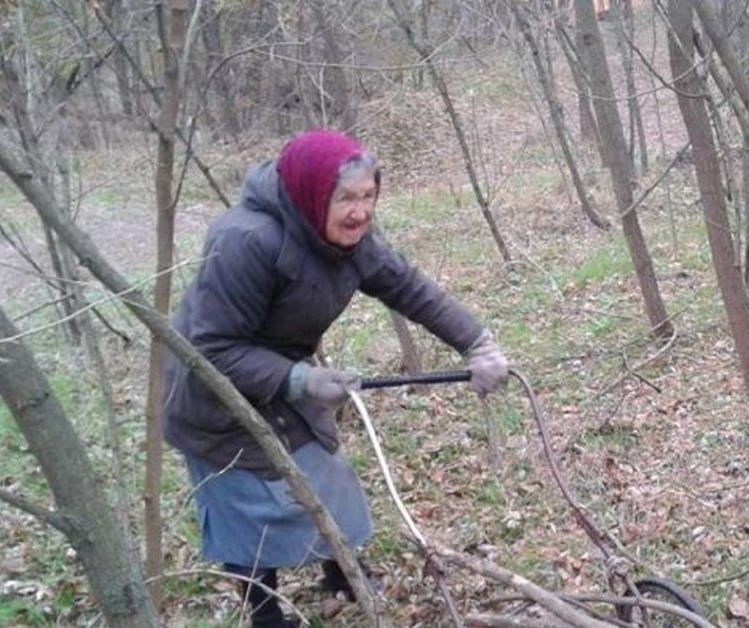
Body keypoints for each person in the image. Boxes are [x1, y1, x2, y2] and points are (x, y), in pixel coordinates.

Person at [163, 129, 508, 628]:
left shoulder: (351, 242)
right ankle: (264, 610)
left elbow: (407, 287)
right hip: (214, 396)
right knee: (247, 509)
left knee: (328, 477)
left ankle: (341, 573)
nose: (360, 211)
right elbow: (211, 348)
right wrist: (299, 380)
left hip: (286, 378)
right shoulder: (245, 241)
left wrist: (477, 343)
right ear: (311, 194)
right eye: (346, 197)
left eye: (368, 196)